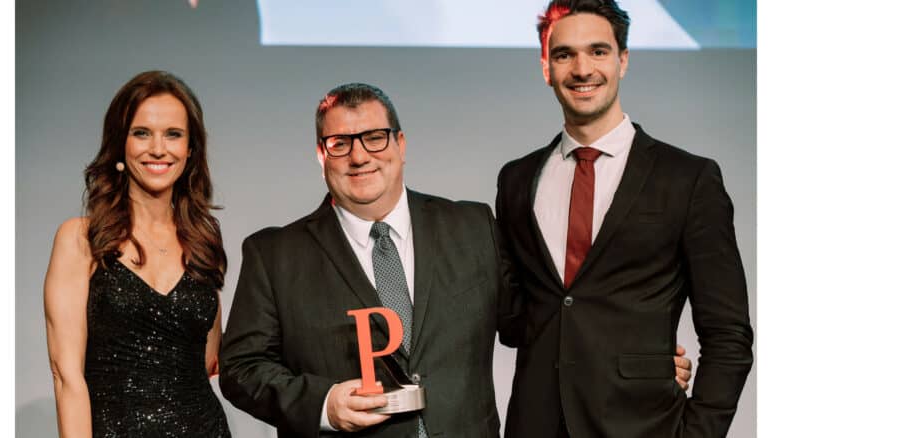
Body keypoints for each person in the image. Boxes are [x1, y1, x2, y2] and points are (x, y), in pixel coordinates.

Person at [496, 1, 754, 437]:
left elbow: (728, 334)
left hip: (645, 427)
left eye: (598, 51)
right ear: (546, 67)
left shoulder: (688, 178)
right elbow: (517, 318)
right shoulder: (517, 179)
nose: (582, 69)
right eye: (564, 55)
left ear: (623, 61)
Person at [218, 83, 522, 438]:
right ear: (321, 154)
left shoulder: (473, 227)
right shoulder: (274, 255)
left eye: (375, 137)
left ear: (401, 144)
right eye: (340, 144)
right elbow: (241, 369)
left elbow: (529, 325)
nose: (359, 157)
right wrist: (323, 404)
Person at [44, 70, 232, 437]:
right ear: (119, 144)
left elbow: (211, 358)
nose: (158, 148)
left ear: (190, 149)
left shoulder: (203, 239)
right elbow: (66, 377)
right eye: (141, 133)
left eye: (173, 134)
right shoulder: (82, 239)